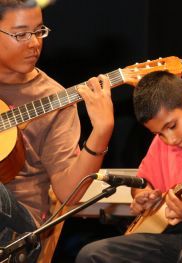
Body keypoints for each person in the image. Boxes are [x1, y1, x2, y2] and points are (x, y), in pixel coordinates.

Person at [0, 0, 114, 262]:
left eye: (39, 31)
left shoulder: (54, 97)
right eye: (20, 34)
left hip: (19, 233)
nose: (34, 43)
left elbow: (68, 194)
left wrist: (102, 130)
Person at [76, 70, 182, 263]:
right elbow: (142, 184)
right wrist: (144, 197)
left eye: (172, 126)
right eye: (159, 133)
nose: (170, 139)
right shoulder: (162, 144)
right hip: (173, 233)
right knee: (93, 255)